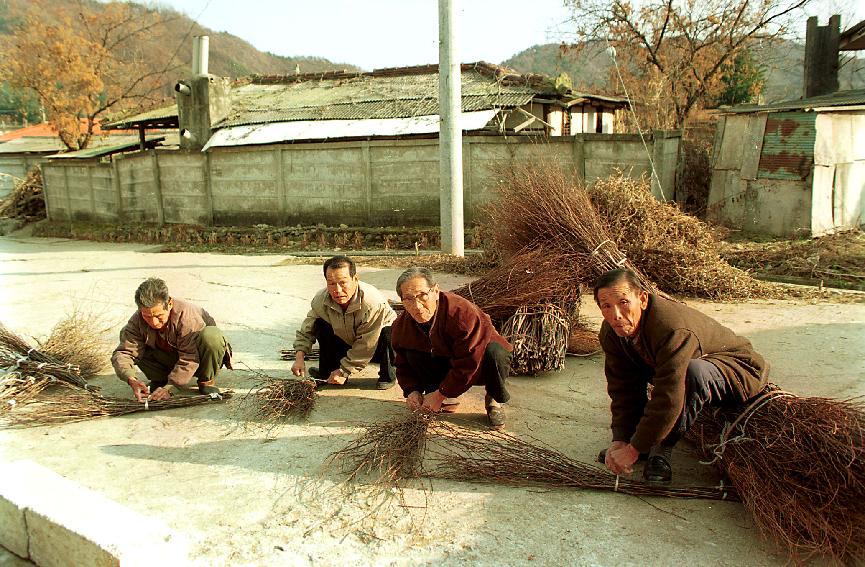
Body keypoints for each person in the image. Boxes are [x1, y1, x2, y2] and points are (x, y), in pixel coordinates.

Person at [594, 268, 769, 483]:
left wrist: (634, 449)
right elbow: (622, 387)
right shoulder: (612, 332)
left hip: (739, 369)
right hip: (693, 367)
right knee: (647, 370)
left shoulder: (672, 329)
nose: (616, 315)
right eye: (606, 306)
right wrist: (621, 439)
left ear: (642, 300)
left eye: (623, 302)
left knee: (691, 372)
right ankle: (642, 443)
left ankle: (661, 450)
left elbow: (669, 394)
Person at [391, 267, 512, 429]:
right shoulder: (401, 325)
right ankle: (441, 396)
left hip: (478, 363)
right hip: (445, 360)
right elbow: (402, 363)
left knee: (495, 353)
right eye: (408, 299)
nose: (417, 306)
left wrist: (440, 394)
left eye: (422, 296)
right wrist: (412, 390)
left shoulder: (461, 311)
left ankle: (493, 400)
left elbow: (471, 360)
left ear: (435, 291)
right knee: (412, 353)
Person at [112, 278, 232, 402]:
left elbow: (189, 357)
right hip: (170, 360)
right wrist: (131, 379)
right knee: (126, 333)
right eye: (147, 316)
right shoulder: (136, 320)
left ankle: (206, 381)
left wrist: (171, 387)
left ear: (169, 304)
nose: (153, 322)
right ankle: (161, 379)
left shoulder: (188, 317)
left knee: (212, 336)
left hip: (198, 360)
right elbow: (124, 353)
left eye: (158, 316)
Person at [292, 255, 397, 389]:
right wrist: (299, 357)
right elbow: (307, 330)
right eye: (331, 283)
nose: (338, 290)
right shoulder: (321, 300)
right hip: (349, 341)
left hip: (378, 346)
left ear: (355, 279)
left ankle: (388, 375)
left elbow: (367, 344)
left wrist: (344, 371)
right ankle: (328, 372)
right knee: (320, 324)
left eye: (343, 282)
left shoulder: (372, 302)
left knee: (389, 332)